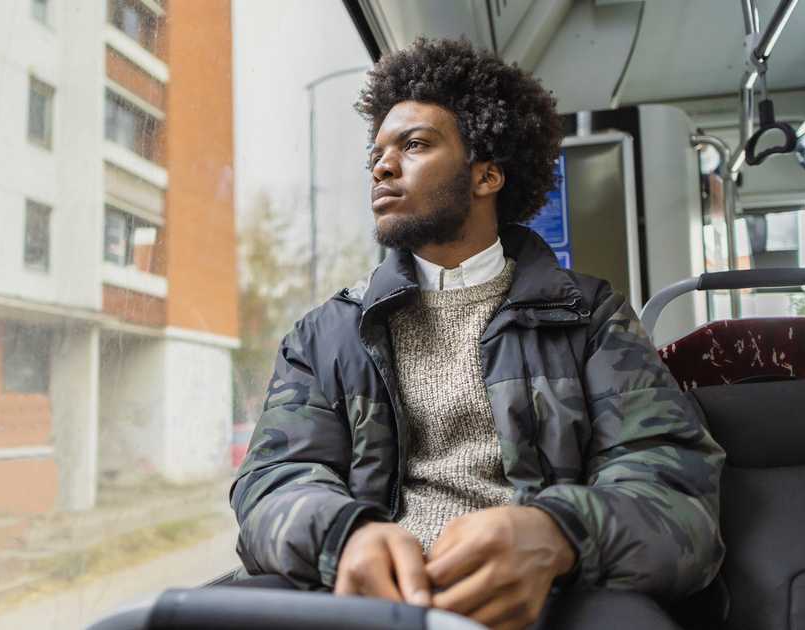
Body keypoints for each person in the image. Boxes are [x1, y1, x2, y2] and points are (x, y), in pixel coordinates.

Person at [230, 37, 724, 629]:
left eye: (414, 145)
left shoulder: (590, 318)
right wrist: (345, 538)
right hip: (375, 606)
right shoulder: (325, 336)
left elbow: (675, 486)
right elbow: (272, 482)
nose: (383, 166)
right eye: (376, 155)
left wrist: (559, 532)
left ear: (486, 174)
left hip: (544, 602)